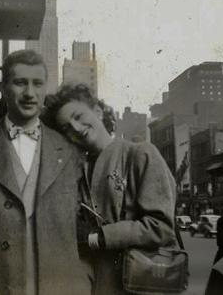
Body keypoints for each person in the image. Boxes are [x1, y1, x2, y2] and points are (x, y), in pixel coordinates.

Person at [0, 50, 92, 295]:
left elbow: (86, 223)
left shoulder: (71, 152)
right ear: (4, 87)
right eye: (20, 83)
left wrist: (83, 278)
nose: (29, 93)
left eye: (37, 84)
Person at [42, 83, 177, 295]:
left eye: (78, 116)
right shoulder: (75, 171)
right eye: (67, 128)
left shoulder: (140, 154)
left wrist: (98, 237)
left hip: (142, 284)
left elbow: (161, 228)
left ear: (97, 111)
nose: (76, 128)